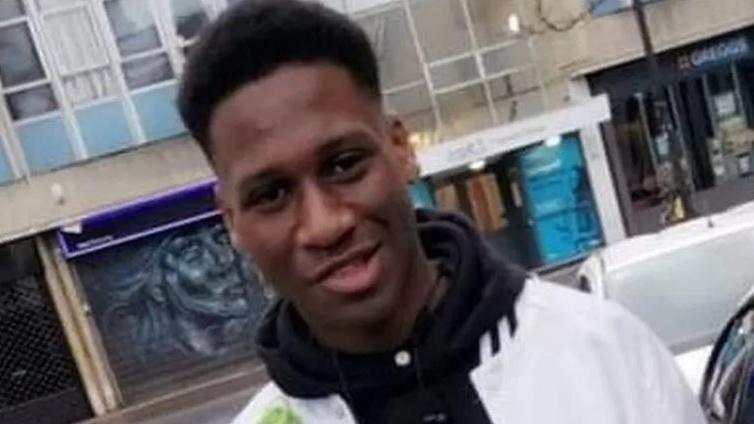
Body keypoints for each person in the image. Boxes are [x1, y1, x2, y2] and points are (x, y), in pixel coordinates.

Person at [177, 1, 705, 422]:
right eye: (271, 195)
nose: (326, 224)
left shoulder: (603, 354)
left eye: (344, 164)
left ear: (401, 148)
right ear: (231, 221)